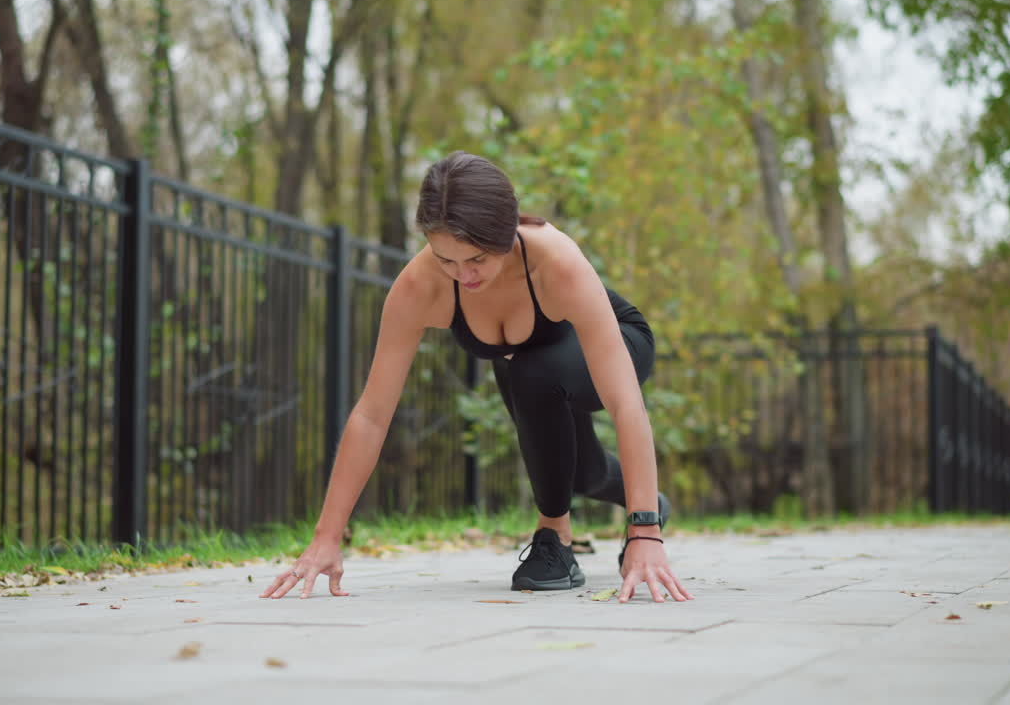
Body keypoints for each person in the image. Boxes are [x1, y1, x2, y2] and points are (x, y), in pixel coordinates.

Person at [260, 152, 690, 604]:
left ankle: (556, 539)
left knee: (529, 367)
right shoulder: (417, 288)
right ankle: (645, 497)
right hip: (535, 368)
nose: (464, 275)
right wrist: (327, 537)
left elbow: (625, 403)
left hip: (618, 341)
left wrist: (645, 532)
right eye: (446, 259)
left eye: (478, 259)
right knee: (582, 473)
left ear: (507, 233)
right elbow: (372, 414)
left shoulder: (556, 264)